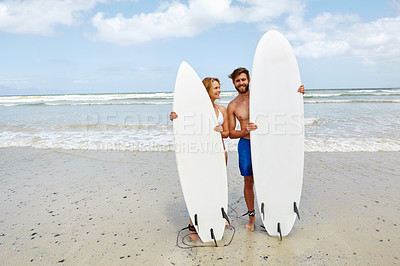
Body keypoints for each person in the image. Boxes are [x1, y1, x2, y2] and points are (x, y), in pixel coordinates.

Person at [227, 67, 305, 232]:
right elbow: (231, 133)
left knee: (271, 177)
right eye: (237, 81)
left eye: (243, 79)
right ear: (234, 83)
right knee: (248, 181)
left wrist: (296, 93)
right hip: (246, 144)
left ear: (248, 80)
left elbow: (281, 102)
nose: (241, 83)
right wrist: (245, 130)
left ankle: (273, 215)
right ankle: (251, 218)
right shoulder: (232, 105)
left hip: (265, 143)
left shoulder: (260, 98)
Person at [170, 77, 230, 240]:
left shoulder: (222, 110)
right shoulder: (195, 111)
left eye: (219, 87)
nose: (218, 90)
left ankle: (220, 218)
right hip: (203, 155)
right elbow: (185, 127)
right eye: (215, 88)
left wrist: (220, 130)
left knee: (218, 185)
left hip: (220, 153)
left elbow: (227, 133)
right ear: (207, 90)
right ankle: (194, 223)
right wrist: (174, 117)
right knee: (200, 186)